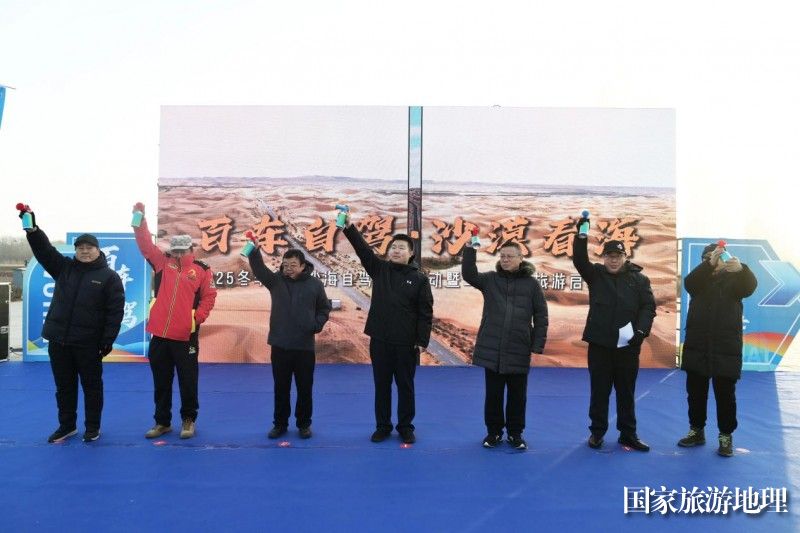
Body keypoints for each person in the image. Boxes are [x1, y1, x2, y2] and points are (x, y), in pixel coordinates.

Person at [22, 209, 124, 443]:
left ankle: (92, 427)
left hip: (88, 344)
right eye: (80, 248)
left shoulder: (109, 277)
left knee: (92, 387)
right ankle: (67, 426)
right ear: (76, 251)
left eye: (89, 247)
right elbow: (45, 251)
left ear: (98, 250)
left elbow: (115, 312)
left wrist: (107, 341)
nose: (85, 251)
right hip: (59, 341)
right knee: (64, 387)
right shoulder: (64, 268)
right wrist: (33, 231)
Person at [342, 219, 433, 444]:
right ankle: (382, 426)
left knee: (405, 386)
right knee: (381, 386)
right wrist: (349, 228)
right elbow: (363, 250)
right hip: (380, 339)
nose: (396, 251)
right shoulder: (380, 269)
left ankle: (405, 427)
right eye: (393, 247)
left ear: (411, 254)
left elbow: (425, 312)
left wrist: (422, 340)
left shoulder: (419, 279)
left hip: (406, 343)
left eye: (401, 248)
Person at [132, 203, 217, 439]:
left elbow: (209, 296)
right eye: (175, 250)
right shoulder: (162, 263)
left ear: (191, 249)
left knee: (188, 381)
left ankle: (188, 420)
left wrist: (196, 318)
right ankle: (162, 422)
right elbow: (145, 245)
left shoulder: (202, 270)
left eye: (183, 250)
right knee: (161, 381)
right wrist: (139, 220)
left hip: (185, 337)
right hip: (159, 335)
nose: (178, 254)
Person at [572, 217, 656, 452]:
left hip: (628, 346)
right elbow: (579, 260)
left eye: (618, 256)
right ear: (604, 258)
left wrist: (641, 331)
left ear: (625, 257)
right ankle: (597, 432)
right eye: (609, 256)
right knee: (599, 391)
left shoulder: (639, 279)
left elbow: (648, 307)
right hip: (600, 345)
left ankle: (628, 434)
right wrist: (581, 235)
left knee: (626, 392)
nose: (613, 260)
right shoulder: (596, 275)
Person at [462, 241, 548, 450]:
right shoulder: (490, 280)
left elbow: (541, 315)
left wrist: (537, 345)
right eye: (502, 256)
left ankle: (515, 434)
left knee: (518, 396)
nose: (505, 260)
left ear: (521, 258)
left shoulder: (531, 284)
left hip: (519, 347)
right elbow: (469, 275)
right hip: (493, 347)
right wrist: (470, 250)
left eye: (510, 256)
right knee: (493, 394)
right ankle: (493, 433)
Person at [678, 242, 757, 457]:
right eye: (708, 258)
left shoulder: (735, 281)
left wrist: (742, 269)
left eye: (718, 258)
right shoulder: (699, 281)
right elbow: (689, 283)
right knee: (695, 394)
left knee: (725, 396)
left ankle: (725, 436)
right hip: (697, 346)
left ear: (726, 260)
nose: (713, 261)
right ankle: (696, 430)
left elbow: (750, 287)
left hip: (725, 347)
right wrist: (708, 264)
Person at [247, 247, 331, 439]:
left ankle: (304, 425)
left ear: (303, 266)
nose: (288, 268)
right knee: (281, 388)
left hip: (304, 347)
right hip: (280, 345)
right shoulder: (275, 281)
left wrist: (316, 325)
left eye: (293, 265)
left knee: (304, 388)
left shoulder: (315, 284)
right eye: (285, 265)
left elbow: (324, 308)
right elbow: (259, 269)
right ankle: (280, 424)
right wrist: (254, 249)